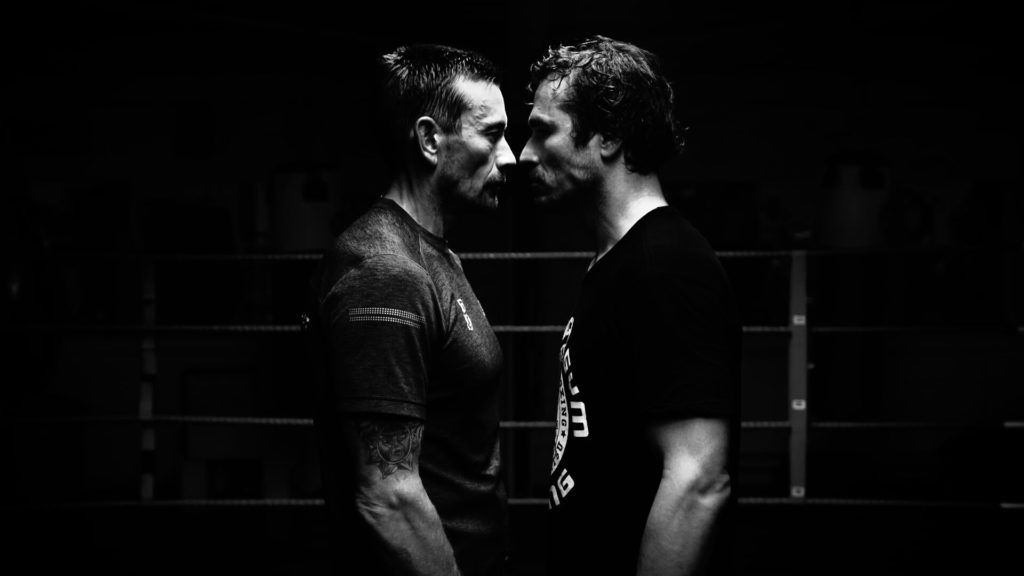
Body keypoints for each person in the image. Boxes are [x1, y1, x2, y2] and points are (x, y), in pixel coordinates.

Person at [519, 36, 741, 575]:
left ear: (610, 136)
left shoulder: (667, 264)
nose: (523, 154)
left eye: (543, 131)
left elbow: (697, 480)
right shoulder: (618, 261)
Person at [306, 43, 515, 576]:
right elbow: (388, 497)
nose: (511, 156)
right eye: (492, 134)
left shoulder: (430, 255)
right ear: (429, 139)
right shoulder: (386, 273)